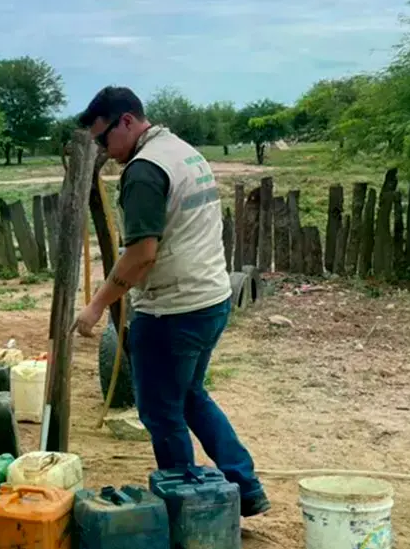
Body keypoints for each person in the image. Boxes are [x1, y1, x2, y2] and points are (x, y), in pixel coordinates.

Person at [73, 86, 270, 516]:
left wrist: (97, 305)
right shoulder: (182, 150)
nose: (104, 151)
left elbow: (142, 254)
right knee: (191, 396)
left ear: (127, 121)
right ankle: (245, 484)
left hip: (173, 310)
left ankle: (188, 508)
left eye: (104, 139)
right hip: (211, 298)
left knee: (161, 412)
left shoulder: (144, 170)